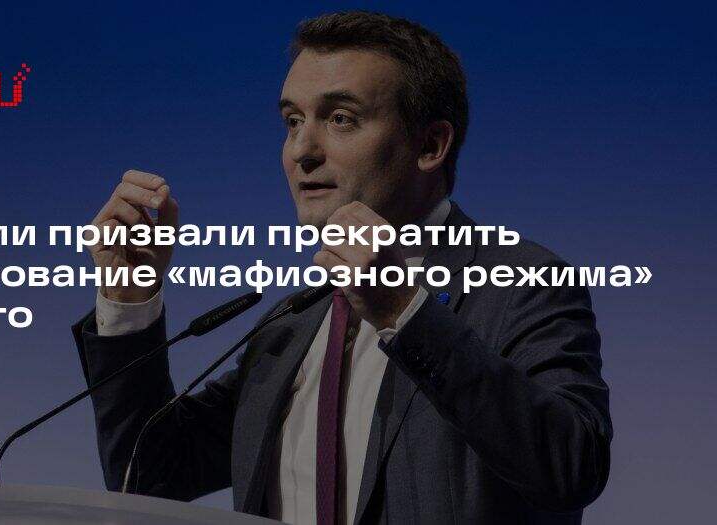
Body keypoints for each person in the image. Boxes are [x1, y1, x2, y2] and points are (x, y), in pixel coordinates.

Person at [72, 11, 611, 525]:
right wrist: (128, 299)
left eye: (340, 119)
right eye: (292, 121)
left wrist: (405, 312)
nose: (302, 151)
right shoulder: (292, 325)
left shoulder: (524, 285)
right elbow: (148, 476)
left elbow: (571, 467)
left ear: (430, 145)